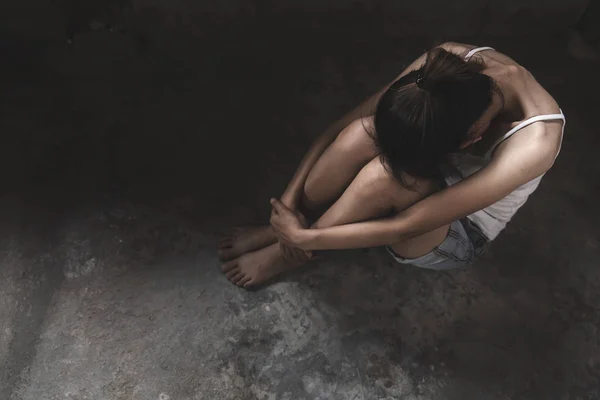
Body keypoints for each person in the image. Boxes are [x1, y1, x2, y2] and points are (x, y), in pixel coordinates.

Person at [217, 42, 566, 288]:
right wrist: (288, 204)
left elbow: (406, 225)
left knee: (383, 177)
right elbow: (342, 126)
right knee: (360, 133)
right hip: (429, 175)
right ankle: (292, 229)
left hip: (459, 230)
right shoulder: (447, 66)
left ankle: (288, 253)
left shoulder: (536, 142)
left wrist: (303, 239)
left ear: (470, 141)